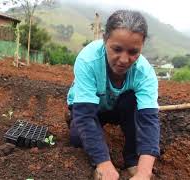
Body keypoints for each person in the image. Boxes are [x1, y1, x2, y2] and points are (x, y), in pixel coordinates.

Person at [66, 10, 160, 180]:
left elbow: (148, 121)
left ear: (142, 46)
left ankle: (131, 159)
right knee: (77, 137)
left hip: (120, 106)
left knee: (133, 103)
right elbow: (86, 115)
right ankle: (74, 118)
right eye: (117, 49)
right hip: (90, 108)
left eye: (133, 52)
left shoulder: (144, 72)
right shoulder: (88, 60)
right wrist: (103, 163)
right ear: (105, 39)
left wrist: (144, 172)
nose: (124, 60)